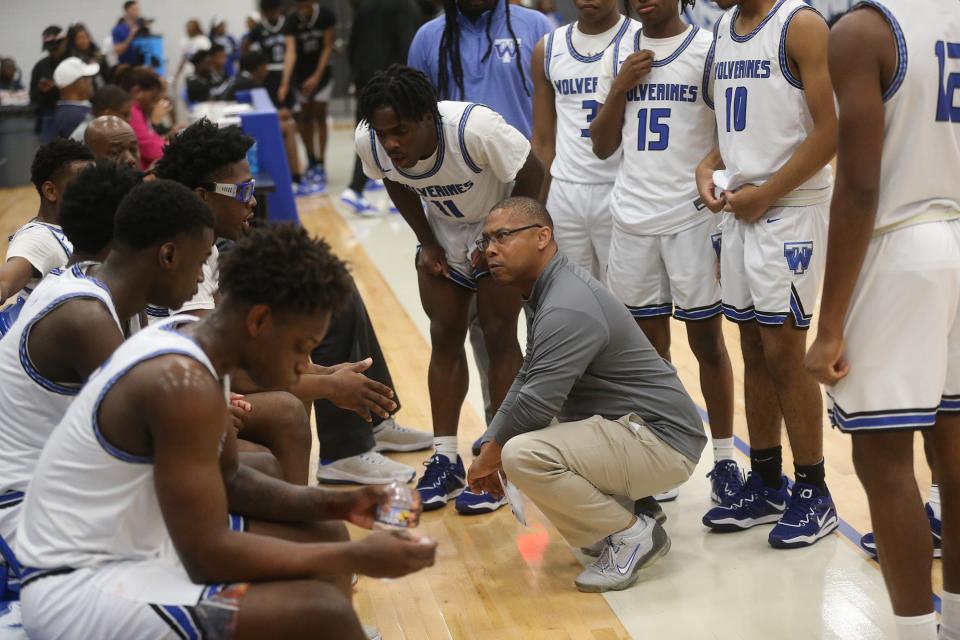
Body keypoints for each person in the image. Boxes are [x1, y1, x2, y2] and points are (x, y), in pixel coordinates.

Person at [15, 224, 438, 640]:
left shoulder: (194, 348)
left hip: (131, 546)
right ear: (259, 321)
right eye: (301, 347)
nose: (302, 367)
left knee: (325, 533)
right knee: (322, 613)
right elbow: (206, 556)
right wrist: (356, 554)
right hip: (77, 585)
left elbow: (231, 480)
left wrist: (344, 503)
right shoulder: (178, 383)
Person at [804, 4, 960, 638]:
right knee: (954, 462)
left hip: (903, 245)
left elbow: (861, 184)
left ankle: (913, 632)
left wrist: (832, 321)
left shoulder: (864, 31)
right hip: (957, 235)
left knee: (885, 462)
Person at [153, 119, 413, 485]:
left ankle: (348, 449)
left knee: (322, 306)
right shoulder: (186, 263)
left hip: (197, 390)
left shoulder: (204, 246)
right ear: (202, 196)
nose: (254, 200)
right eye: (243, 191)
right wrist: (329, 386)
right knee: (286, 406)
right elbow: (219, 367)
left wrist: (330, 374)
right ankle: (324, 474)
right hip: (182, 401)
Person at [466, 197, 706, 592]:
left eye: (503, 236)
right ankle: (630, 509)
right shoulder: (546, 288)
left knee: (523, 453)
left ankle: (631, 534)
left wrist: (490, 457)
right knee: (519, 436)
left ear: (543, 237)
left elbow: (535, 404)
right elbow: (528, 377)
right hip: (637, 430)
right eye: (486, 240)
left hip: (663, 441)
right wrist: (490, 441)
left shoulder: (566, 304)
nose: (490, 249)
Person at [355, 65, 544, 513]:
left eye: (400, 131)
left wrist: (502, 237)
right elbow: (393, 181)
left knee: (499, 336)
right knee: (444, 336)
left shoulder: (475, 129)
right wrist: (426, 240)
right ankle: (445, 458)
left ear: (427, 117)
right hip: (444, 230)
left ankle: (498, 460)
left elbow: (534, 173)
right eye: (384, 134)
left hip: (498, 222)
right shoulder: (374, 142)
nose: (391, 143)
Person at [695, 0, 838, 548]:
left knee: (784, 348)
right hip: (743, 205)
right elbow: (748, 123)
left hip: (791, 208)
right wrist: (709, 163)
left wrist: (769, 193)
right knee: (752, 344)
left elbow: (830, 132)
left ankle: (814, 490)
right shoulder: (726, 30)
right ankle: (768, 479)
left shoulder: (799, 24)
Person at [589, 0, 738, 504]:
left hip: (692, 217)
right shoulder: (620, 52)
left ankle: (724, 461)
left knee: (707, 344)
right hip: (631, 218)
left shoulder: (707, 48)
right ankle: (659, 454)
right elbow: (602, 146)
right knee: (650, 355)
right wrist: (617, 89)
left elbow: (728, 136)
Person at [0, 165, 185, 553]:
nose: (200, 272)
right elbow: (151, 435)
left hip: (59, 492)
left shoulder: (92, 288)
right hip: (28, 516)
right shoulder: (84, 315)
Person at [531, 0, 627, 280]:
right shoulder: (547, 49)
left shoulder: (640, 39)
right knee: (572, 299)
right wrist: (535, 209)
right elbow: (543, 140)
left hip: (620, 187)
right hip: (565, 192)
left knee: (624, 305)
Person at [408, 0, 554, 140]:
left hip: (524, 160)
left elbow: (561, 104)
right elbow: (417, 115)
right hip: (455, 161)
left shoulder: (536, 26)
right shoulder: (427, 37)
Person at [0, 140, 93, 334]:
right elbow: (5, 281)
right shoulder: (39, 237)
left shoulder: (77, 228)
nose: (93, 191)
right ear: (51, 191)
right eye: (83, 184)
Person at [340, 0, 424, 213]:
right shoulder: (405, 7)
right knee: (400, 139)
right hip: (393, 87)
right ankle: (356, 188)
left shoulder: (365, 6)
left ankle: (363, 188)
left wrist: (358, 78)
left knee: (368, 136)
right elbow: (408, 48)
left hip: (366, 84)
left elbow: (352, 47)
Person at [281, 0, 338, 191]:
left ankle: (321, 164)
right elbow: (290, 53)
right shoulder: (291, 21)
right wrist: (285, 82)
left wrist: (316, 76)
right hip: (300, 77)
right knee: (304, 118)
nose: (301, 9)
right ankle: (311, 161)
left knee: (320, 115)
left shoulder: (325, 16)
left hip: (322, 74)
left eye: (304, 5)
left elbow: (327, 47)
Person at [114, 65, 169, 169]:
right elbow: (151, 150)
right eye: (153, 98)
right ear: (137, 91)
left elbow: (151, 141)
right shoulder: (132, 112)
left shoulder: (138, 110)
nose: (154, 104)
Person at [43, 57, 99, 142]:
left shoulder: (63, 110)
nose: (90, 82)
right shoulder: (77, 116)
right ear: (79, 83)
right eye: (87, 78)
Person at [29, 26, 68, 134]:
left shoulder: (73, 63)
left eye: (55, 48)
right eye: (49, 49)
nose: (52, 52)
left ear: (64, 42)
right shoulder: (40, 66)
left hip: (71, 115)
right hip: (48, 116)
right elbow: (33, 98)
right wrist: (41, 90)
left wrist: (56, 89)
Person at [175, 18, 213, 83]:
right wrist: (177, 75)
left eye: (191, 27)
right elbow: (184, 58)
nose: (189, 29)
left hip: (199, 72)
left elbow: (207, 59)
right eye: (188, 27)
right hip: (187, 72)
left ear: (197, 28)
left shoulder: (203, 41)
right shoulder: (184, 40)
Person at [112, 1, 144, 66]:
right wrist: (131, 36)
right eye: (134, 9)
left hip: (141, 66)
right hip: (127, 67)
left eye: (138, 9)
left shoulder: (141, 26)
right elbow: (118, 51)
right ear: (127, 11)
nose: (137, 12)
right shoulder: (119, 29)